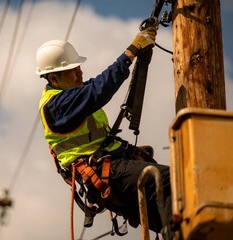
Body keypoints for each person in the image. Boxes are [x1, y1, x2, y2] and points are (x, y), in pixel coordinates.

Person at [36, 27, 171, 235]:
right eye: (73, 70)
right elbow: (98, 90)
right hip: (104, 173)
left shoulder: (72, 95)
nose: (80, 72)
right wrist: (130, 53)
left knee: (167, 213)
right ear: (54, 79)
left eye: (78, 67)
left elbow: (99, 83)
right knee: (170, 179)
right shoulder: (58, 105)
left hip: (112, 167)